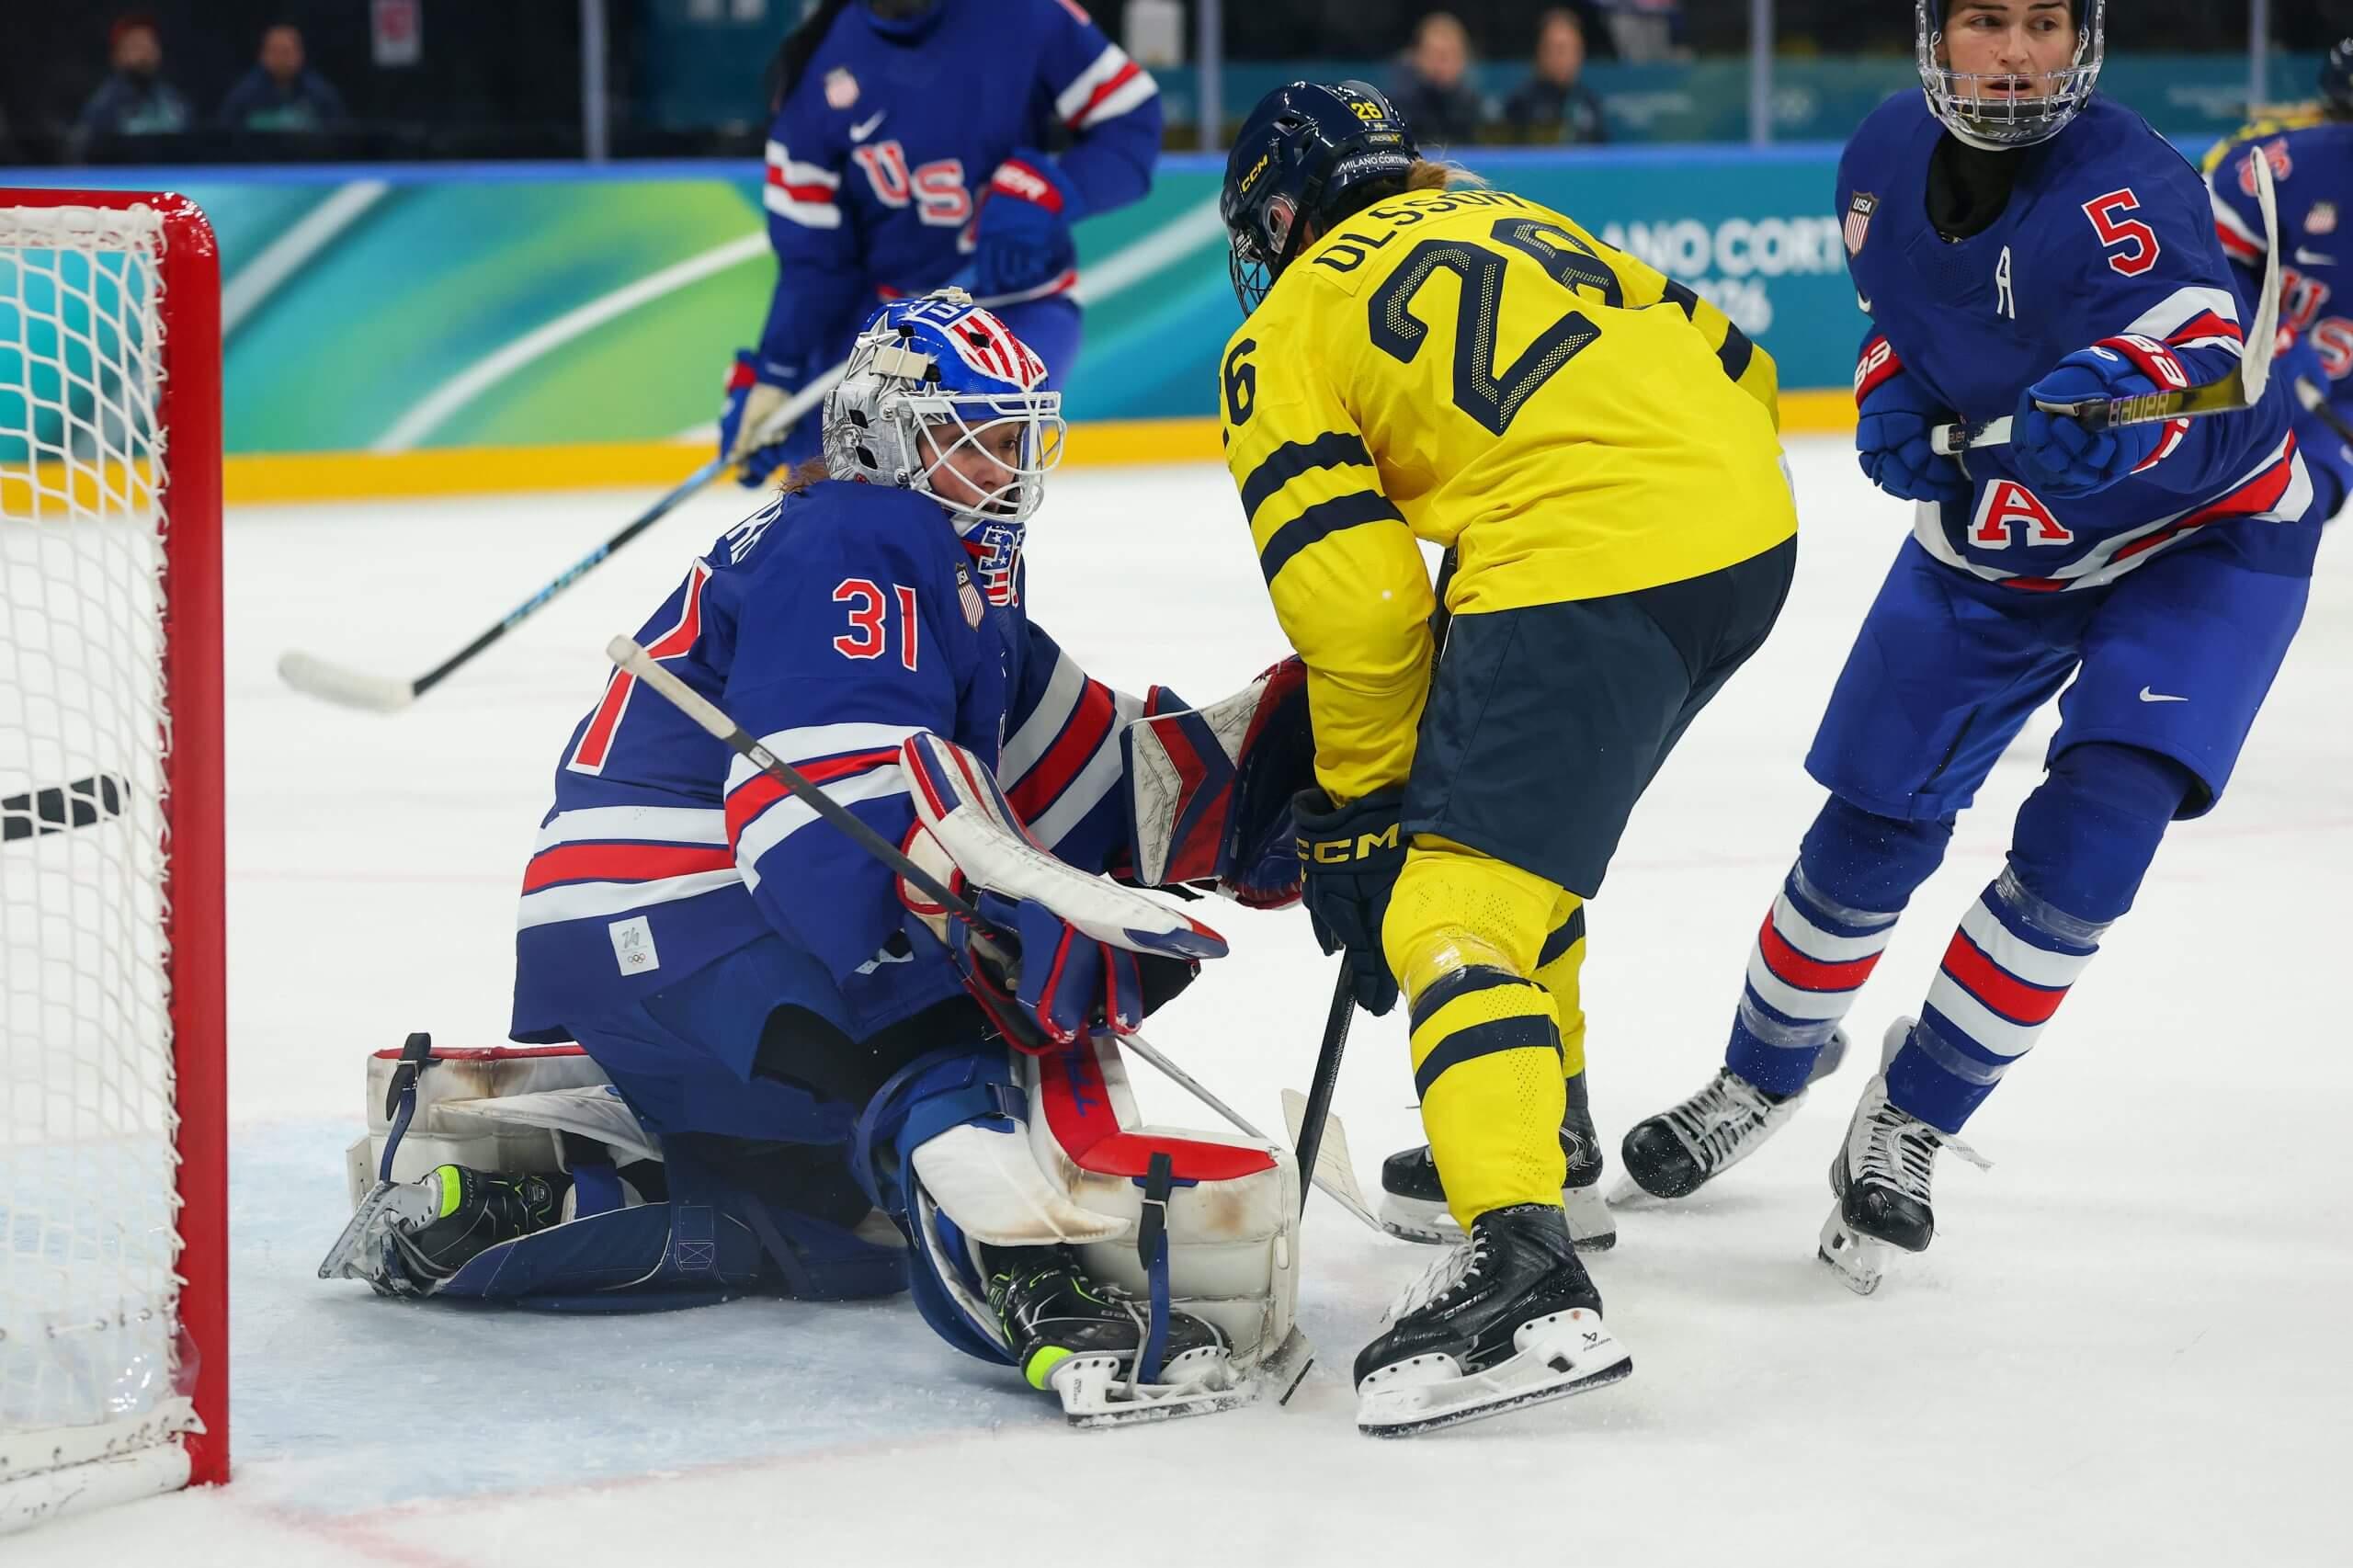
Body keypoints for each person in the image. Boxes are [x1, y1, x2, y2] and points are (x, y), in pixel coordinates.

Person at [324, 291, 1313, 1426]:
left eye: (1015, 436)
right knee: (953, 1033)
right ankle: (1046, 1291)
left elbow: (1081, 767)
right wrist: (948, 934)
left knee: (814, 1206)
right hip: (694, 902)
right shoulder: (863, 534)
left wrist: (1264, 785)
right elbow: (820, 781)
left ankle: (508, 1206)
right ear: (885, 437)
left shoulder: (940, 572)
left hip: (624, 933)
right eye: (972, 438)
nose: (1006, 465)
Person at [1613, 0, 2327, 1295]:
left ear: (2084, 38)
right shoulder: (1879, 163)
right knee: (1870, 823)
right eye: (1989, 20)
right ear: (1935, 35)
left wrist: (2122, 404)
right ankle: (1762, 1073)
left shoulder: (2130, 184)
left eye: (2046, 23)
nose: (2018, 54)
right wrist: (1891, 388)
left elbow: (2204, 362)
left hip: (2201, 536)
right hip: (2004, 527)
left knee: (2095, 838)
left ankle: (1917, 1112)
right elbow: (1909, 316)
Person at [1217, 80, 1798, 1434]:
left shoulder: (1286, 327)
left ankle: (1522, 1266)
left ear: (1284, 214)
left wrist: (1363, 810)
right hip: (1747, 527)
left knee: (1452, 900)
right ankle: (1553, 1136)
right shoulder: (1506, 208)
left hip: (1587, 556)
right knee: (1515, 845)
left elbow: (1362, 605)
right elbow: (1741, 361)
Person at [718, 0, 1163, 489]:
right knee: (820, 487)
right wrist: (779, 374)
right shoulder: (815, 71)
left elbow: (1131, 125)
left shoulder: (1028, 14)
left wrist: (1048, 190)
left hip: (1014, 309)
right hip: (892, 326)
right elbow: (816, 265)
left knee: (964, 464)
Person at [2203, 38, 2353, 524]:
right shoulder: (2282, 165)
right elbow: (2198, 262)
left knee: (2294, 513)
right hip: (2234, 376)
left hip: (2339, 409)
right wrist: (2268, 335)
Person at [71, 15, 191, 156]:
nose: (145, 54)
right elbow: (84, 156)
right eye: (136, 47)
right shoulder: (101, 107)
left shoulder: (176, 102)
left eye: (150, 45)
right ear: (117, 57)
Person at [218, 24, 349, 133]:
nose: (281, 59)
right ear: (263, 55)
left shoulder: (321, 93)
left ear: (300, 55)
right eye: (275, 52)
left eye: (286, 52)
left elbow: (340, 135)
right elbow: (225, 135)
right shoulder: (243, 94)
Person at [1503, 9, 1608, 146]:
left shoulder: (1589, 100)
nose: (1563, 57)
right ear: (1541, 51)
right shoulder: (1521, 102)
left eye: (1570, 49)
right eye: (1557, 49)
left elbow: (1602, 153)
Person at [1387, 12, 1485, 150]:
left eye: (1450, 56)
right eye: (1435, 55)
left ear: (1463, 60)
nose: (1442, 65)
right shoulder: (1396, 108)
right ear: (1418, 57)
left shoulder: (1471, 106)